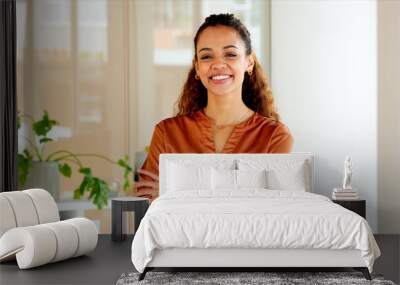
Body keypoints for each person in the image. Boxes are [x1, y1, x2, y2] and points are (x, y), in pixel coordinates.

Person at [133, 13, 293, 201]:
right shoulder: (167, 133)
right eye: (207, 56)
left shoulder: (274, 136)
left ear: (249, 63)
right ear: (197, 67)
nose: (218, 64)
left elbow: (273, 209)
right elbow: (145, 202)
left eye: (230, 54)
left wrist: (177, 192)